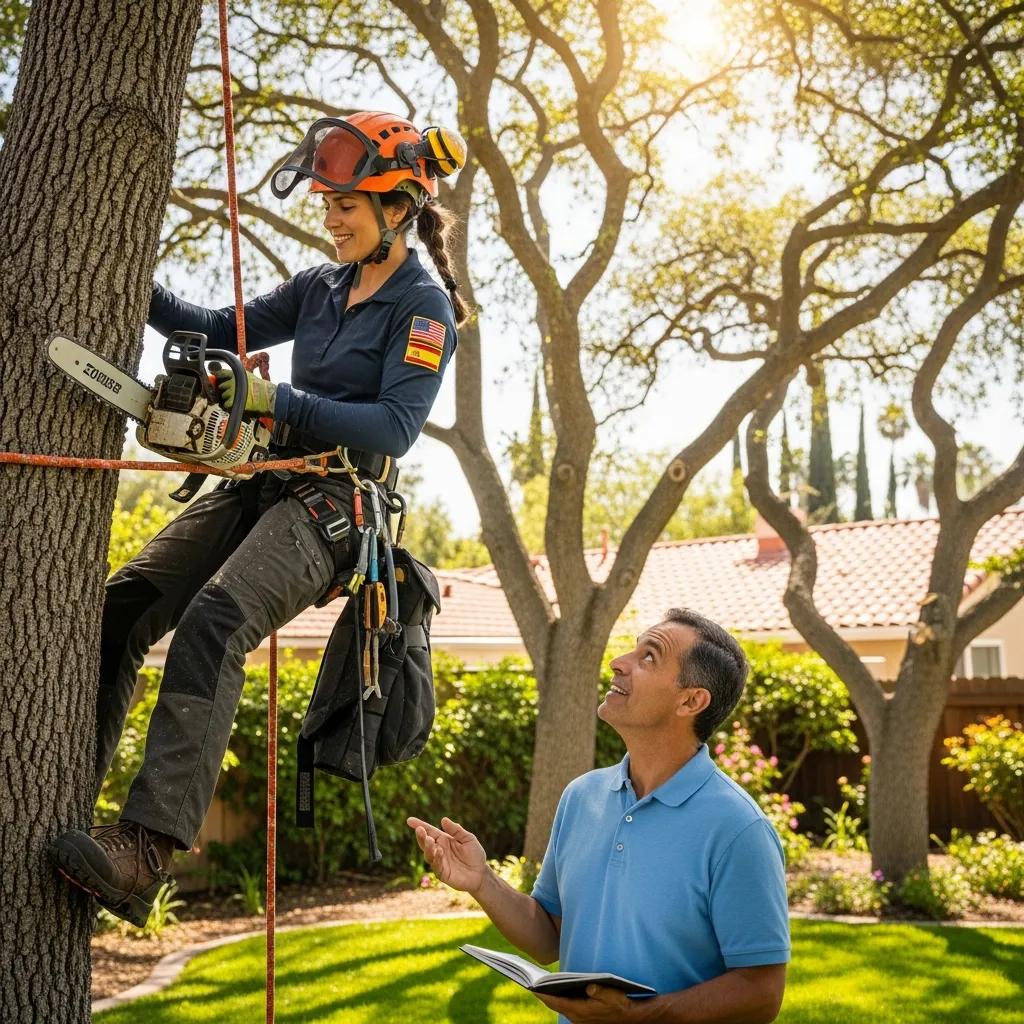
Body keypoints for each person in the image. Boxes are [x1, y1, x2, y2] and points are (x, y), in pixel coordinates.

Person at [50, 111, 469, 927]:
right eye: (326, 202)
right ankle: (70, 799)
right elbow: (212, 326)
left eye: (346, 202)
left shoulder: (424, 311)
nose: (330, 216)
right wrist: (124, 271)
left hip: (339, 504)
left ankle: (145, 852)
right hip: (264, 481)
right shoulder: (320, 287)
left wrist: (275, 398)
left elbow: (394, 427)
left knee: (215, 622)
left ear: (398, 205)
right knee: (125, 603)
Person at [409, 608, 790, 1024]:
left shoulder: (739, 829)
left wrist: (640, 1017)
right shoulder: (582, 796)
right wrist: (482, 882)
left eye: (649, 657)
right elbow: (548, 938)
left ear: (691, 700)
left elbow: (762, 992)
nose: (619, 662)